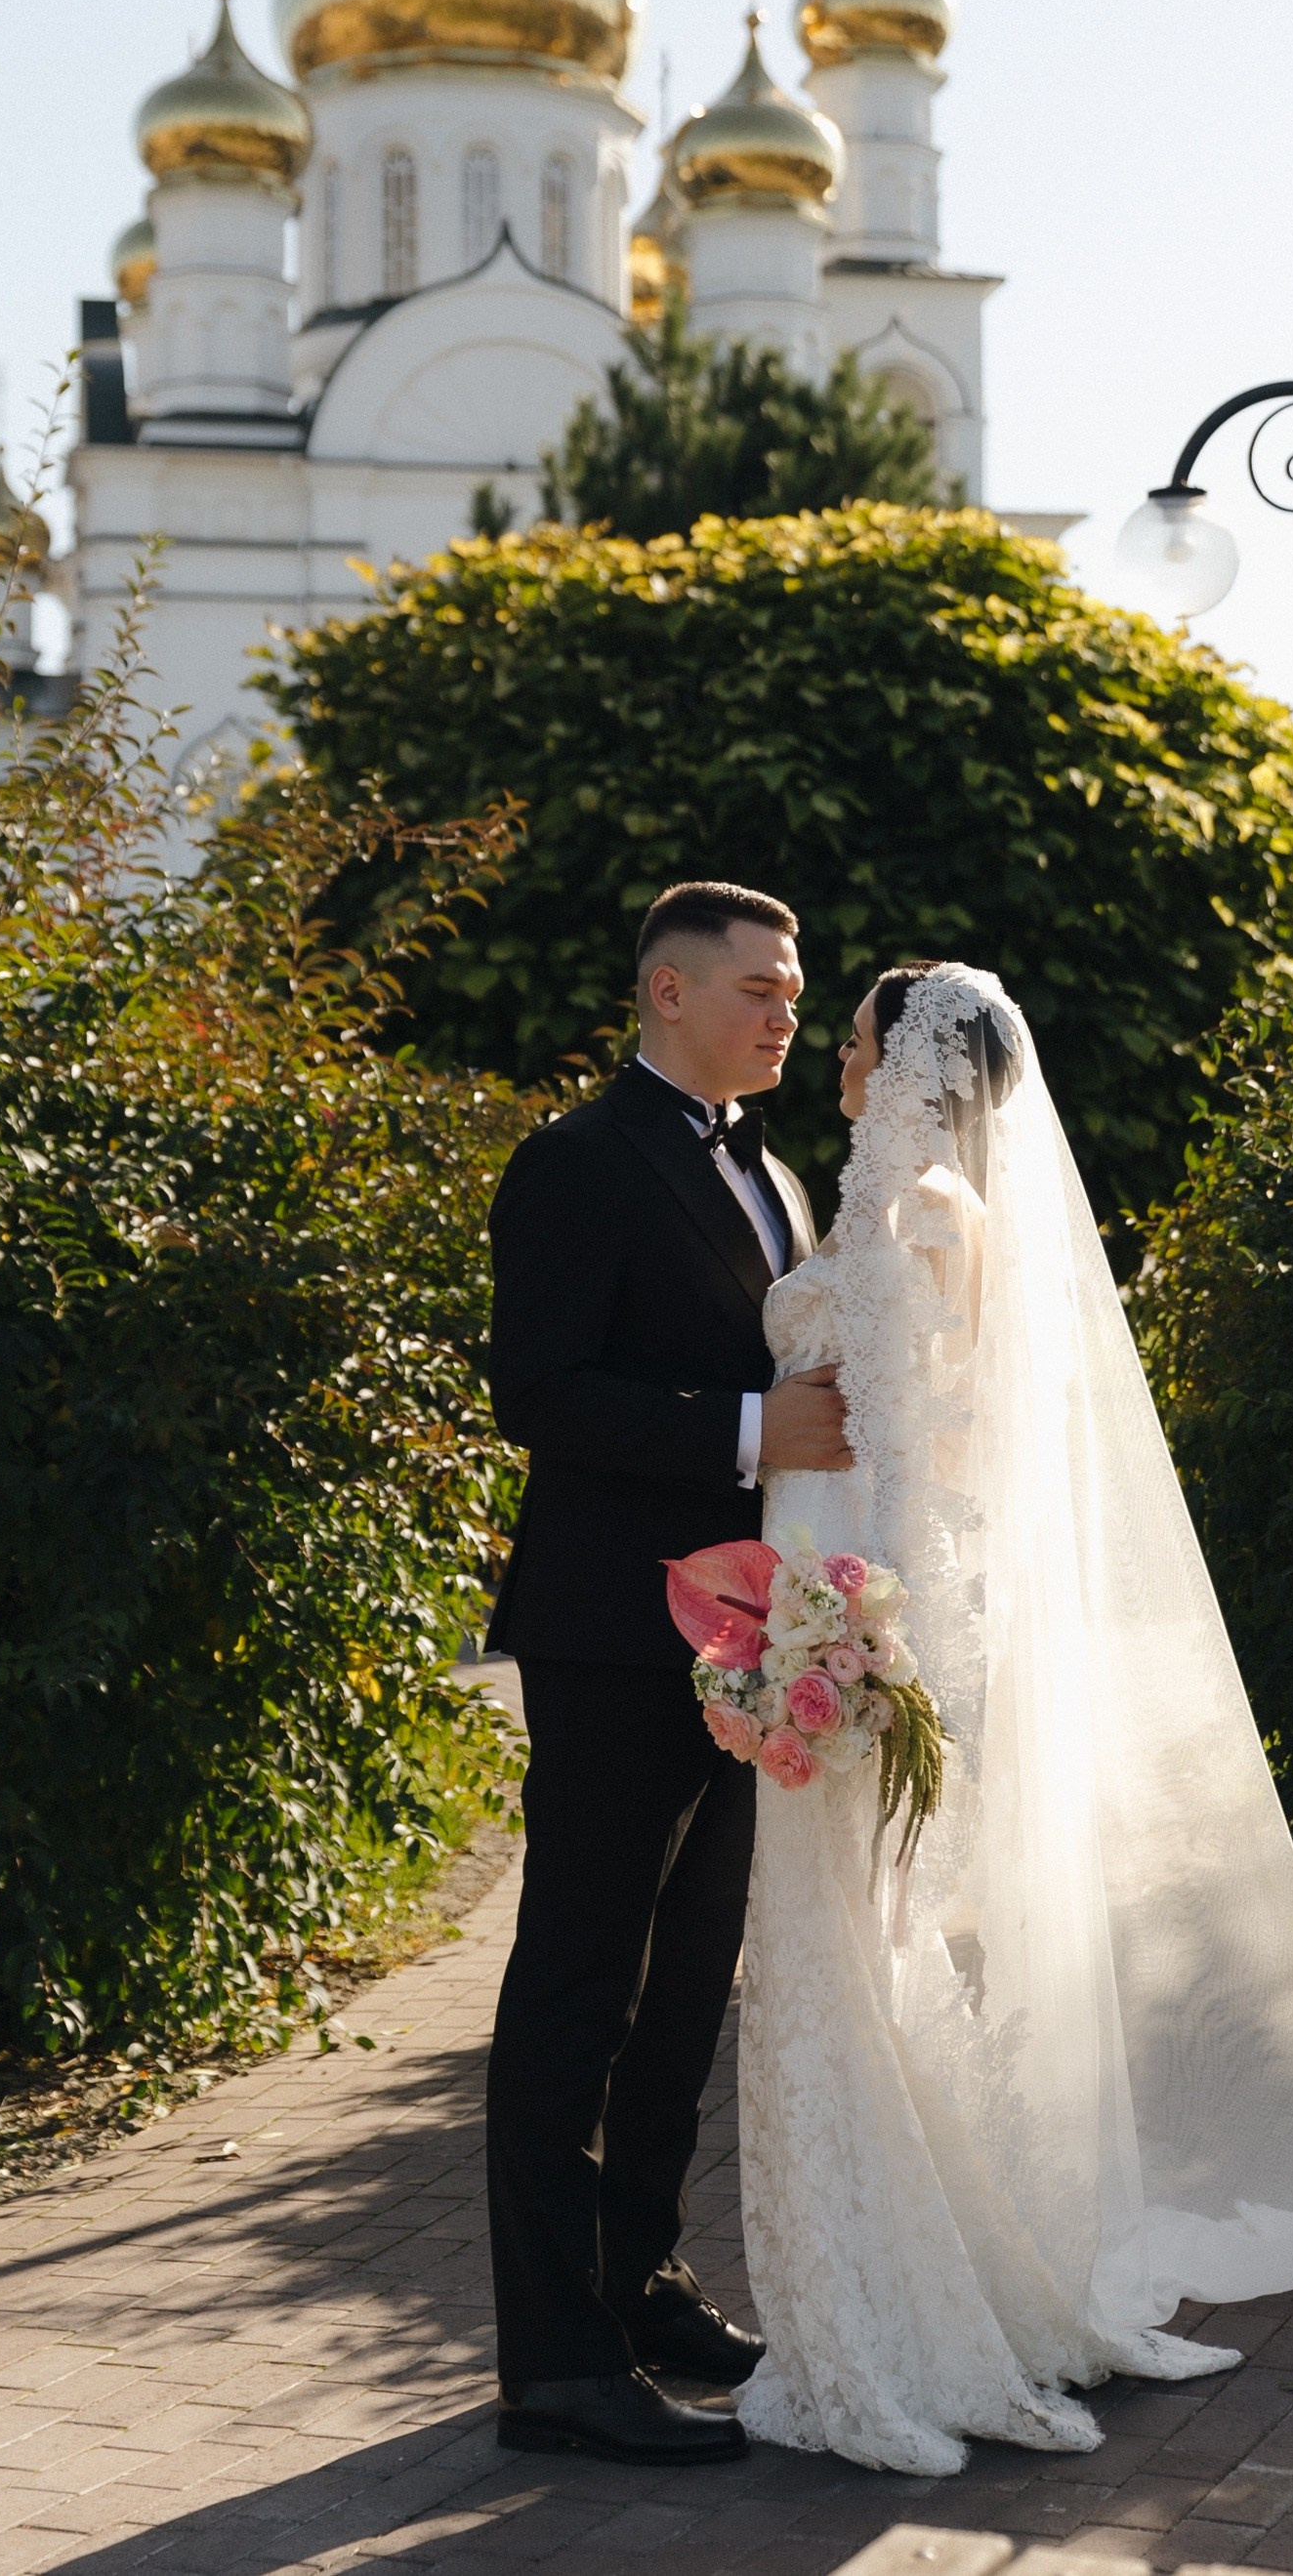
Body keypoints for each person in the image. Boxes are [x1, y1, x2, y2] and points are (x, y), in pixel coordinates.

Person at [731, 961, 1293, 2475]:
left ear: (911, 1069)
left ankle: (899, 2309)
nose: (835, 1056)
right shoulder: (887, 1206)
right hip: (819, 1604)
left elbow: (932, 1437)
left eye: (853, 1037)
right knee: (842, 1950)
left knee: (854, 1943)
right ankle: (897, 2276)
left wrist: (851, 1635)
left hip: (854, 1619)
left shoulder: (922, 1219)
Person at [482, 881, 855, 2469]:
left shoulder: (775, 1171)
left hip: (748, 1642)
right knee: (580, 1984)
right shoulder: (573, 1163)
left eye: (792, 990)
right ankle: (555, 2366)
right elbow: (542, 1392)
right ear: (664, 991)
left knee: (687, 1987)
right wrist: (760, 1434)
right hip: (611, 1632)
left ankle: (640, 2289)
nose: (784, 1013)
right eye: (759, 988)